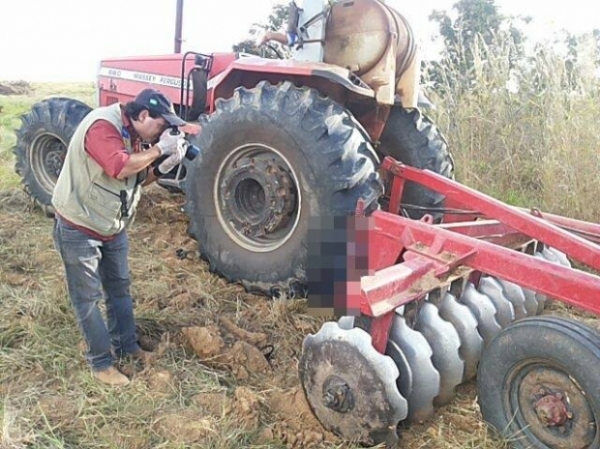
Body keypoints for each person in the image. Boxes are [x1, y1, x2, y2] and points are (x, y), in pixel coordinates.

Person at [51, 88, 195, 386]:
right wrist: (158, 150)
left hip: (110, 226)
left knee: (119, 289)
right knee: (88, 298)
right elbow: (118, 166)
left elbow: (137, 177)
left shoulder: (136, 133)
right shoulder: (102, 126)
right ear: (143, 115)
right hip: (79, 226)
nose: (162, 133)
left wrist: (162, 165)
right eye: (161, 125)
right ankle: (101, 363)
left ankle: (127, 347)